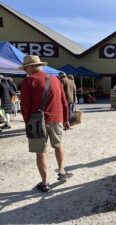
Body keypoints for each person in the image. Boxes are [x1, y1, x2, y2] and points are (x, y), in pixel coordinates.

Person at [20, 55, 72, 193]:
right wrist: (66, 119)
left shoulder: (28, 81)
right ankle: (61, 171)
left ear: (31, 67)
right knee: (58, 145)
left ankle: (45, 183)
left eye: (26, 68)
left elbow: (25, 105)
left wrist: (27, 122)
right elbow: (64, 101)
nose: (25, 71)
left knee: (41, 152)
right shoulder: (55, 79)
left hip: (36, 121)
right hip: (57, 119)